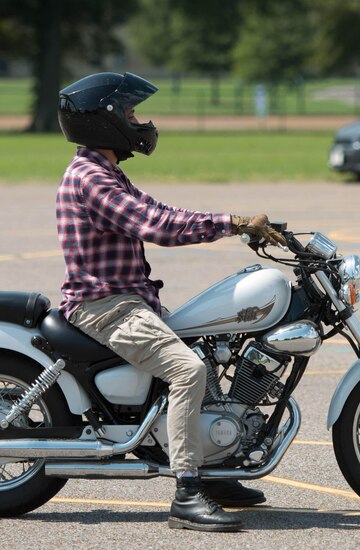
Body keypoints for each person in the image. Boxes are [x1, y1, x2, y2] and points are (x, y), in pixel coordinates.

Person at [56, 72, 285, 532]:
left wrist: (235, 223)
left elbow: (165, 211)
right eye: (130, 113)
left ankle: (217, 470)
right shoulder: (91, 179)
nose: (138, 122)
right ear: (105, 120)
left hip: (128, 300)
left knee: (211, 348)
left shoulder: (107, 172)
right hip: (106, 306)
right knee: (188, 370)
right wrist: (232, 223)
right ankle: (187, 491)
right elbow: (156, 226)